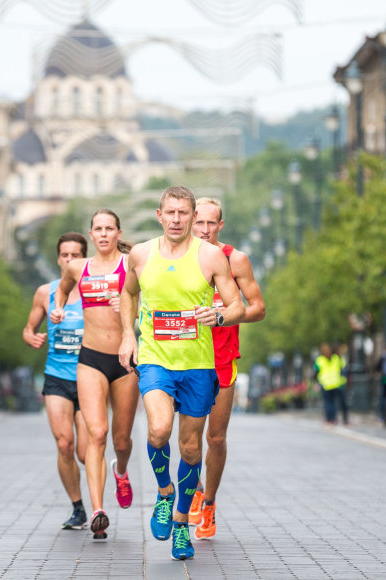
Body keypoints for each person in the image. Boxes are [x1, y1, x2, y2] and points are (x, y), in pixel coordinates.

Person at [118, 185, 245, 561]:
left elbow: (238, 305)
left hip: (199, 364)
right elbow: (128, 294)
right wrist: (129, 335)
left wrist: (219, 315)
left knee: (191, 447)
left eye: (183, 214)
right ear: (160, 215)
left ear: (193, 217)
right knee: (158, 429)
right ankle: (163, 492)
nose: (176, 220)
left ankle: (180, 525)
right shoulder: (141, 254)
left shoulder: (211, 258)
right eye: (170, 213)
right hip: (157, 358)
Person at [50, 210, 138, 540]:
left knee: (121, 439)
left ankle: (122, 470)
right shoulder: (78, 267)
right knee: (96, 434)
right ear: (91, 233)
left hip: (125, 360)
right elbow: (62, 289)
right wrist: (58, 308)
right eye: (97, 229)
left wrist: (128, 304)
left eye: (109, 229)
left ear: (118, 232)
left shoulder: (130, 265)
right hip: (89, 359)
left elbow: (150, 303)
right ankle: (99, 510)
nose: (103, 234)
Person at [187, 197, 266, 540]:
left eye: (211, 223)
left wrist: (224, 316)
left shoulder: (236, 260)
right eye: (198, 223)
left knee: (215, 438)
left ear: (221, 225)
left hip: (222, 359)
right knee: (188, 441)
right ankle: (196, 490)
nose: (204, 230)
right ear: (189, 223)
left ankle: (209, 505)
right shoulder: (177, 258)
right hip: (185, 360)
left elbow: (259, 308)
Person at [23, 232, 90, 531]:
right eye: (65, 255)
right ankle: (78, 508)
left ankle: (102, 495)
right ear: (58, 258)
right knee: (64, 445)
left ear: (84, 258)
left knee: (86, 453)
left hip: (90, 377)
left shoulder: (95, 292)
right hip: (57, 377)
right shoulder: (44, 293)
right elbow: (28, 327)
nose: (70, 260)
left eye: (76, 255)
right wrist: (32, 336)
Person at [314, 342, 348, 426]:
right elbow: (342, 369)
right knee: (333, 402)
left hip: (325, 384)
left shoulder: (320, 360)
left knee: (328, 402)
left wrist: (316, 382)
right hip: (336, 383)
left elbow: (315, 372)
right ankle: (334, 419)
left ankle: (329, 419)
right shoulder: (336, 358)